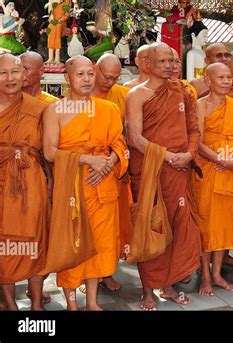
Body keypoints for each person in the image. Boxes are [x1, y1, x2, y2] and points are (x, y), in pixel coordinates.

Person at [43, 55, 128, 310]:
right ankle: (71, 303)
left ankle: (92, 302)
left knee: (100, 245)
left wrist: (109, 163)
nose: (87, 79)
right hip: (72, 186)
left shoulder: (108, 109)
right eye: (80, 74)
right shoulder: (55, 110)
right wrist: (87, 160)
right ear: (67, 79)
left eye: (90, 74)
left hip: (103, 186)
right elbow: (49, 152)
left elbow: (120, 144)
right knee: (73, 243)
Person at [126, 42, 201, 310]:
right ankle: (148, 290)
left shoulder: (183, 92)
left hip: (180, 170)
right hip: (151, 171)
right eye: (163, 61)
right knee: (151, 226)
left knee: (179, 226)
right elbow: (134, 138)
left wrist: (190, 155)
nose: (170, 65)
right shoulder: (137, 95)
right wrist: (169, 156)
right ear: (147, 64)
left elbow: (194, 130)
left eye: (172, 60)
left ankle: (168, 286)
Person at [193, 63, 233, 296]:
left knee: (226, 226)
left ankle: (217, 274)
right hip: (209, 169)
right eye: (221, 77)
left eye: (229, 77)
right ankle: (205, 276)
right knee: (206, 225)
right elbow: (196, 141)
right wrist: (219, 158)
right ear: (207, 80)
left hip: (231, 170)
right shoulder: (200, 106)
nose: (227, 81)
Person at [0, 54, 50, 310]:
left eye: (16, 72)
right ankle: (9, 302)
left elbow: (51, 152)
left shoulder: (40, 108)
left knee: (36, 238)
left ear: (25, 75)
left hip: (31, 183)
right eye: (3, 73)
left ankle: (37, 301)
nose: (10, 78)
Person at [91, 53, 130, 291]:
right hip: (87, 172)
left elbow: (126, 132)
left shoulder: (122, 95)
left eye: (115, 78)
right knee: (89, 227)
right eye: (107, 77)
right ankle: (89, 274)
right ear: (95, 69)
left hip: (115, 167)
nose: (110, 82)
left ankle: (107, 272)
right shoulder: (77, 98)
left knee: (113, 227)